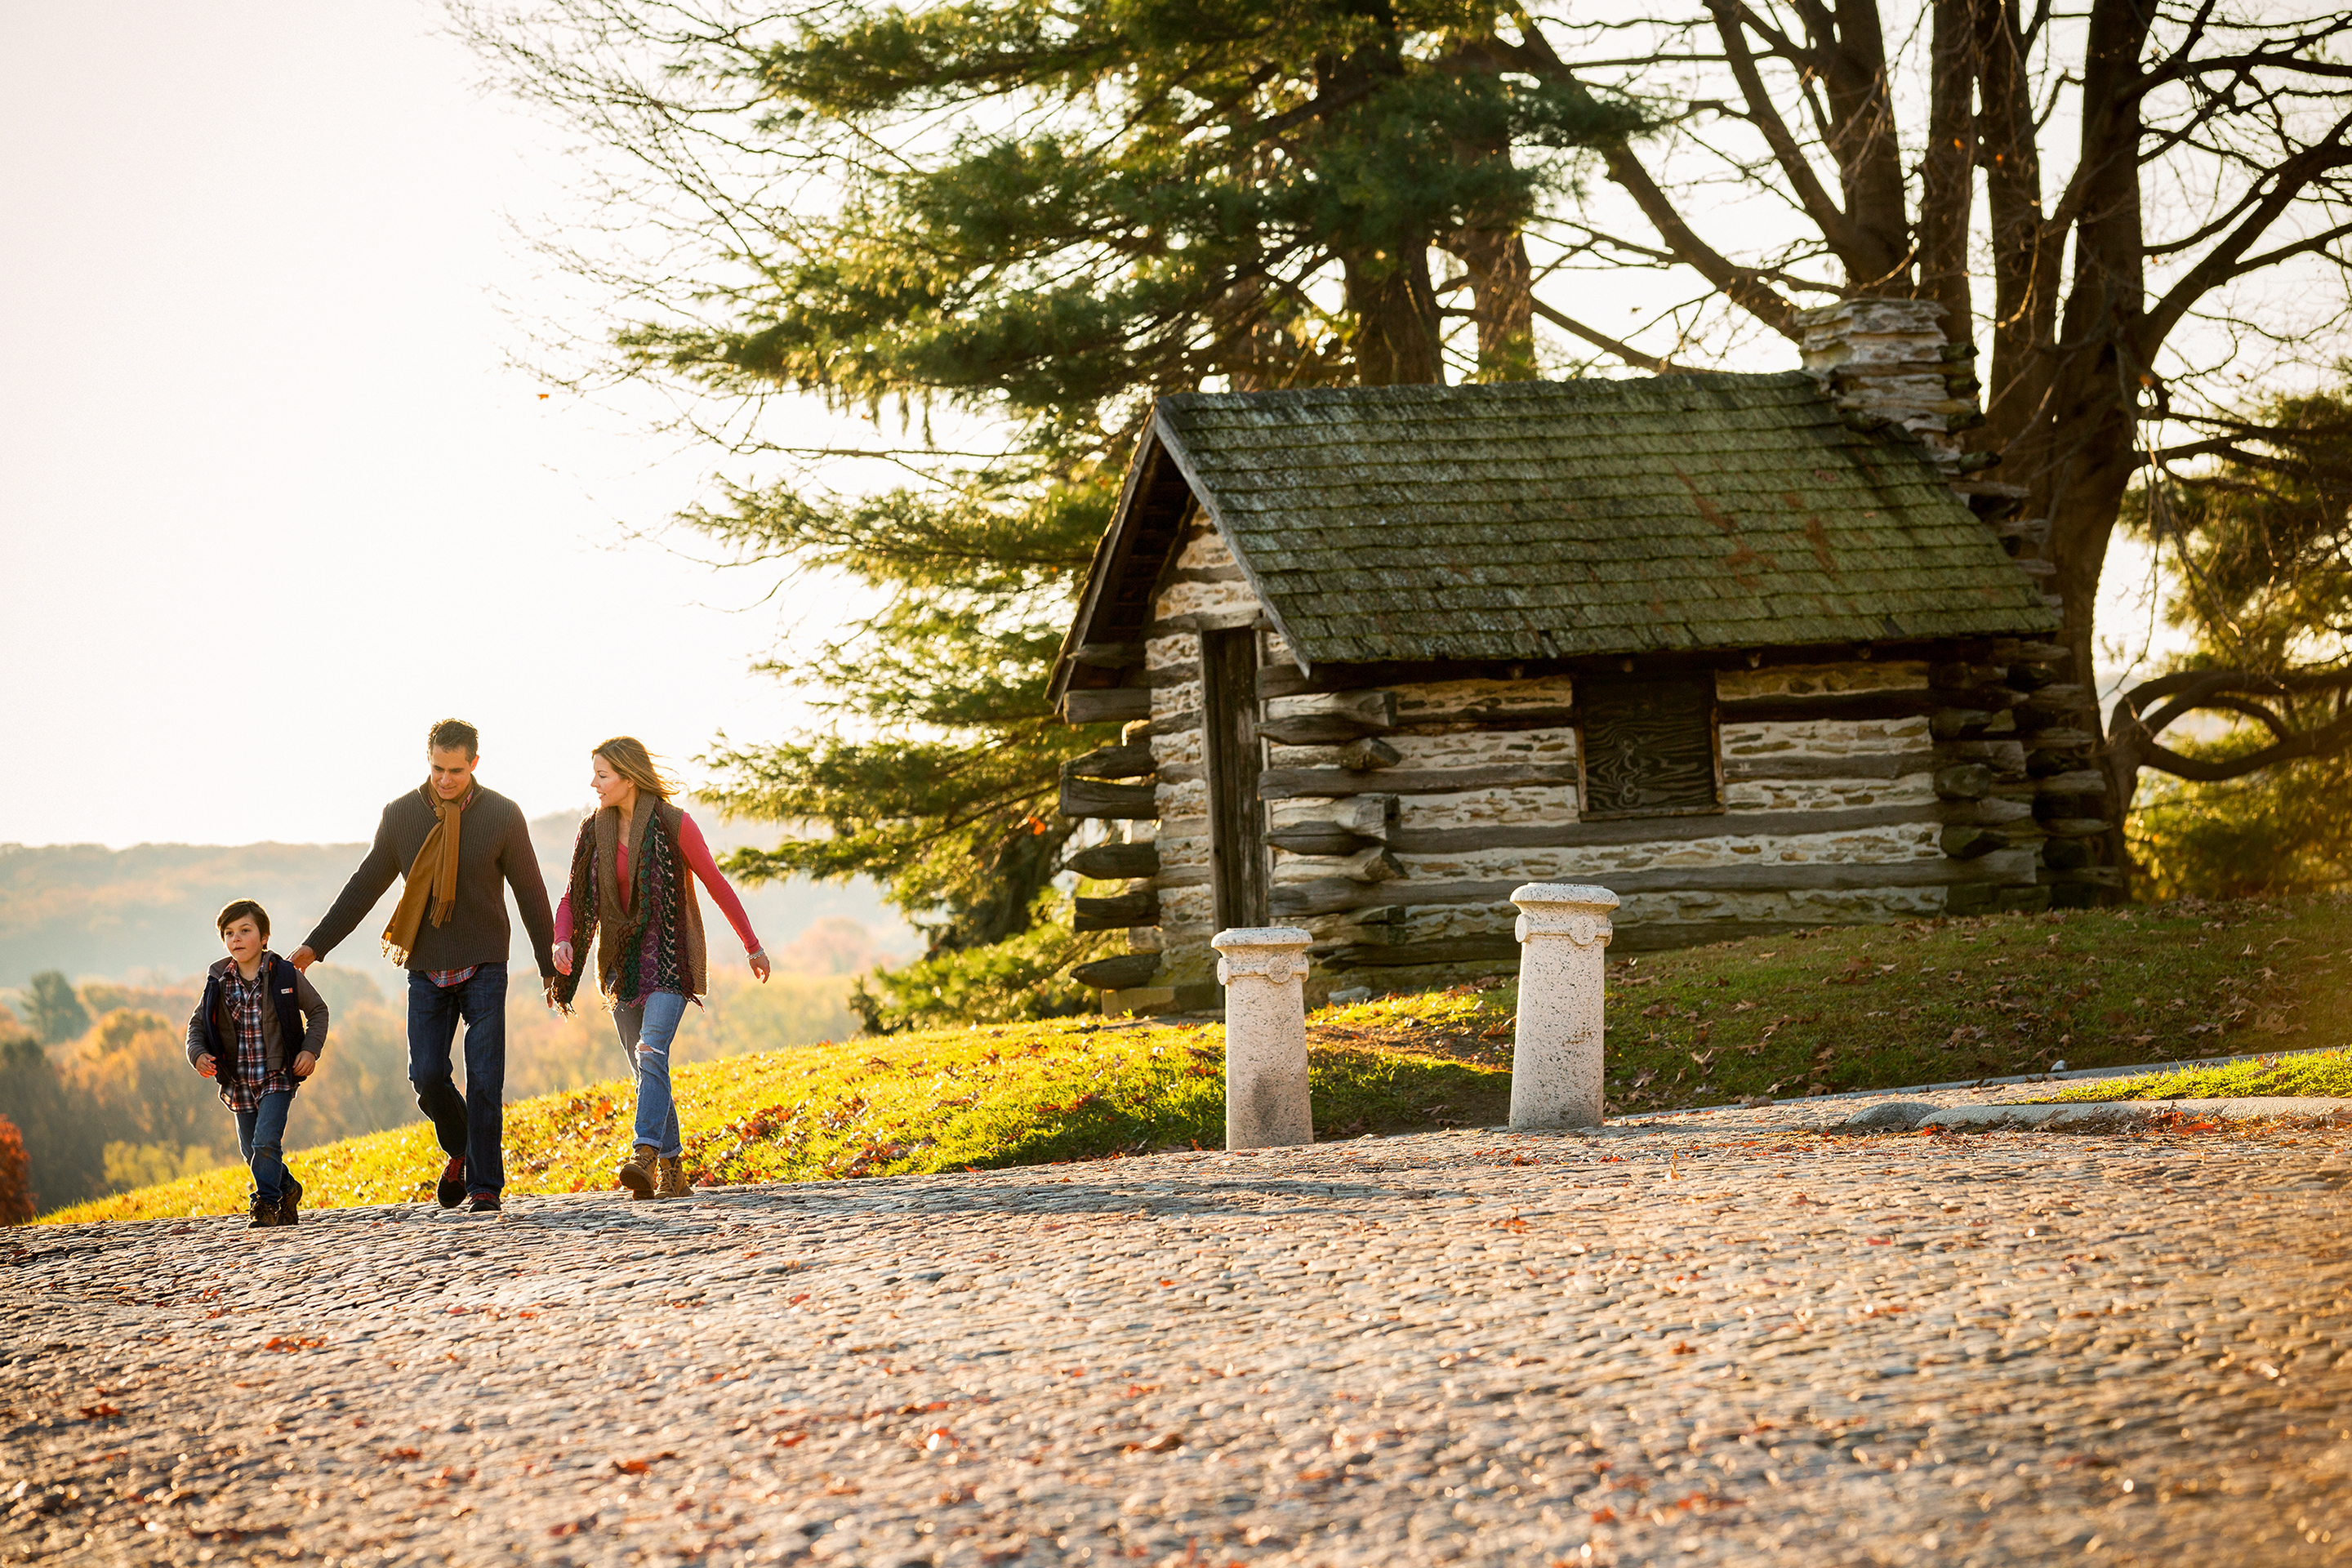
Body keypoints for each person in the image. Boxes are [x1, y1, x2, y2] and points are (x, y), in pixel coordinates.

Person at [290, 718, 558, 1214]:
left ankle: (484, 1187)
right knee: (427, 1076)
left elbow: (530, 891)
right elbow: (365, 885)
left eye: (456, 770)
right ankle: (461, 1148)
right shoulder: (401, 816)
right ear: (428, 761)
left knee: (485, 1077)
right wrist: (315, 946)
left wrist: (550, 966)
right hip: (426, 967)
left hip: (483, 964)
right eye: (438, 768)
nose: (446, 780)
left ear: (474, 764)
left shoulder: (502, 815)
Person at [550, 737, 769, 1200]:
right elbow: (572, 895)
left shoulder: (674, 824)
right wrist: (563, 938)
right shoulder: (593, 829)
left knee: (652, 1052)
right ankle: (674, 1170)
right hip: (620, 964)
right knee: (646, 1066)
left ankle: (644, 1155)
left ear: (628, 777)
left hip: (670, 957)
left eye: (603, 775)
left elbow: (715, 883)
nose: (595, 783)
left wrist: (752, 945)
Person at [185, 900, 330, 1228]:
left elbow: (319, 1011)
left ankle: (265, 1203)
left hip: (277, 1075)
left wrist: (310, 1050)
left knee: (266, 1142)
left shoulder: (284, 974)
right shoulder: (218, 982)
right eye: (229, 933)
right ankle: (288, 1188)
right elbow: (196, 1026)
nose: (236, 938)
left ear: (264, 937)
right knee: (251, 1151)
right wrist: (197, 1054)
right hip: (238, 1081)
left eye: (245, 931)